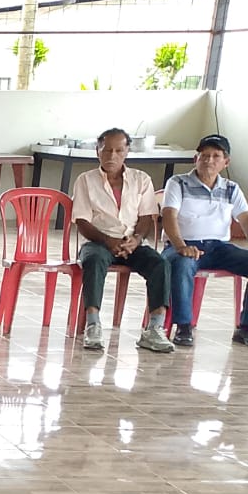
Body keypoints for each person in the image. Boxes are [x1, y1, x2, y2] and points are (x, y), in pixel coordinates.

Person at [69, 127, 173, 354]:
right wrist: (108, 241)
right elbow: (82, 221)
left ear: (127, 152)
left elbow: (146, 217)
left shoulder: (141, 179)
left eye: (118, 150)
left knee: (160, 263)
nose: (112, 156)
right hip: (98, 242)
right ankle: (93, 324)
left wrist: (136, 239)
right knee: (93, 261)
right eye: (106, 150)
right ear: (97, 151)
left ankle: (155, 328)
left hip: (131, 243)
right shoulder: (86, 180)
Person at [161, 134, 248, 347]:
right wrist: (181, 246)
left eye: (216, 156)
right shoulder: (178, 183)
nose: (209, 160)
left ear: (226, 162)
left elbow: (245, 219)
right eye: (204, 155)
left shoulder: (231, 188)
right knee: (183, 265)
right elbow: (169, 215)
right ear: (196, 158)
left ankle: (245, 328)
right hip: (182, 245)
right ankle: (184, 326)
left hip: (219, 248)